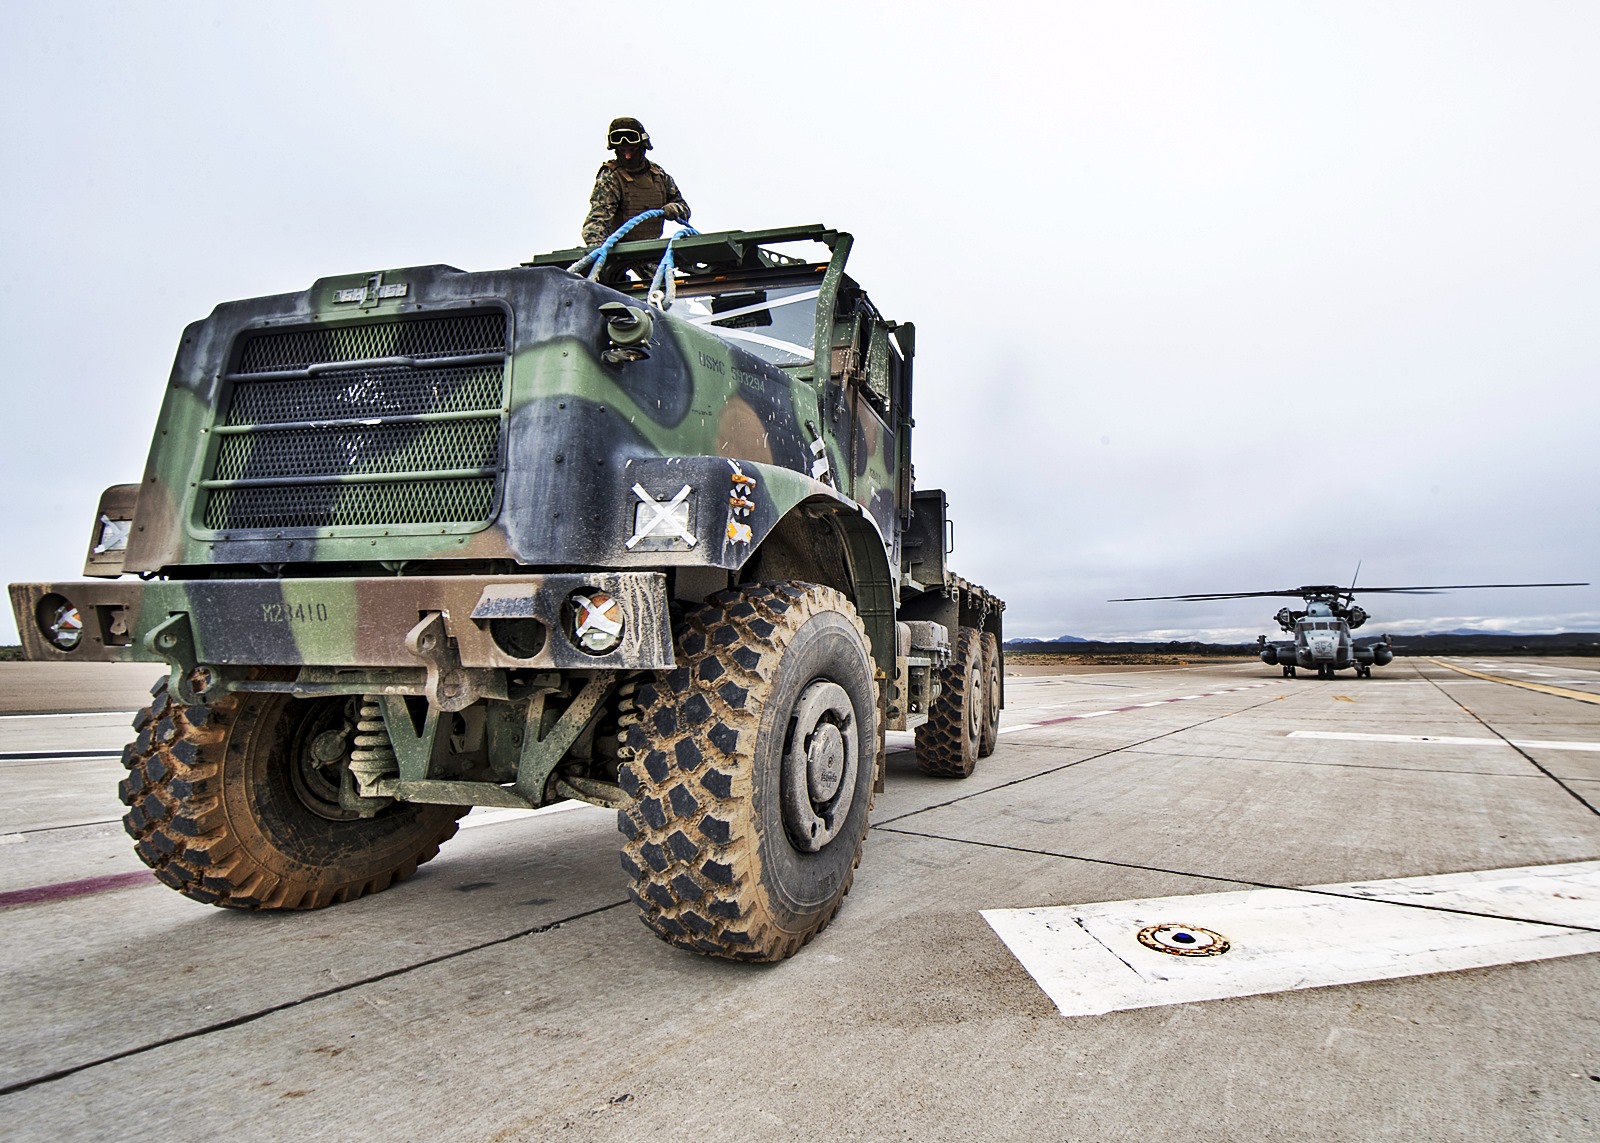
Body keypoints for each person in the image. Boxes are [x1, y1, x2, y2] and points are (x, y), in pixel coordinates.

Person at [581, 117, 690, 249]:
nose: (627, 157)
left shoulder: (658, 175)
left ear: (642, 147)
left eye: (631, 150)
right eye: (622, 151)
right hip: (618, 251)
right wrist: (599, 253)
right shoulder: (611, 177)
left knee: (665, 269)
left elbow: (684, 208)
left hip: (649, 249)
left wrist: (674, 208)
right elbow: (597, 222)